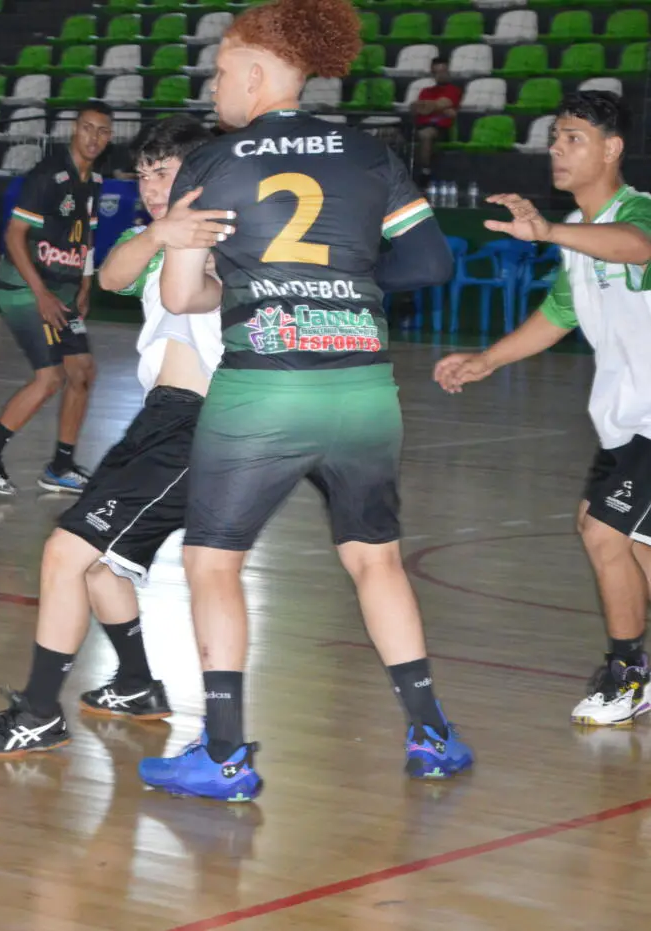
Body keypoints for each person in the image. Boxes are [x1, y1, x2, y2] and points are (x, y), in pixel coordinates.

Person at [136, 0, 467, 802]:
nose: (214, 87)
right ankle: (430, 734)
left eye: (219, 72)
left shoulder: (213, 163)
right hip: (361, 387)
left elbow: (183, 298)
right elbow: (429, 262)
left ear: (254, 73)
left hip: (265, 389)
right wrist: (343, 294)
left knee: (212, 561)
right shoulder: (370, 154)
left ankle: (222, 753)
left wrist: (210, 265)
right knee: (374, 557)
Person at [0, 115, 235, 757]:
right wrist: (159, 231)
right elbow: (111, 278)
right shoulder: (155, 234)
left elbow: (199, 295)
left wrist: (175, 234)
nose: (149, 187)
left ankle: (37, 713)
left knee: (65, 552)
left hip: (201, 424)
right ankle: (137, 685)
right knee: (99, 566)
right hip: (158, 419)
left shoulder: (230, 234)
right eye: (141, 176)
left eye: (163, 173)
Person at [434, 91, 651, 727]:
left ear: (611, 149)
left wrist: (551, 229)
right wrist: (488, 361)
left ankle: (628, 674)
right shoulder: (580, 241)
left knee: (603, 530)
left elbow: (636, 247)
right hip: (624, 422)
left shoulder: (633, 215)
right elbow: (558, 314)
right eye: (554, 136)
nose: (557, 147)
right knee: (631, 546)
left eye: (574, 137)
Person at [0, 103, 114, 496]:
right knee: (51, 378)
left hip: (62, 291)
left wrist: (84, 285)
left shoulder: (94, 179)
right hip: (26, 291)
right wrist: (41, 293)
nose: (93, 138)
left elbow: (87, 236)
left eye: (102, 131)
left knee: (82, 373)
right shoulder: (47, 175)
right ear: (73, 130)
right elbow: (13, 235)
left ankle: (61, 466)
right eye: (87, 128)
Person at [411, 58, 462, 186]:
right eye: (437, 72)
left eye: (444, 71)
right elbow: (415, 108)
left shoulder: (453, 90)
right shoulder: (425, 91)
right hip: (418, 125)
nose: (441, 75)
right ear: (433, 74)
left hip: (441, 129)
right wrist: (436, 108)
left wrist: (430, 107)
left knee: (426, 134)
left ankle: (425, 171)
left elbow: (438, 105)